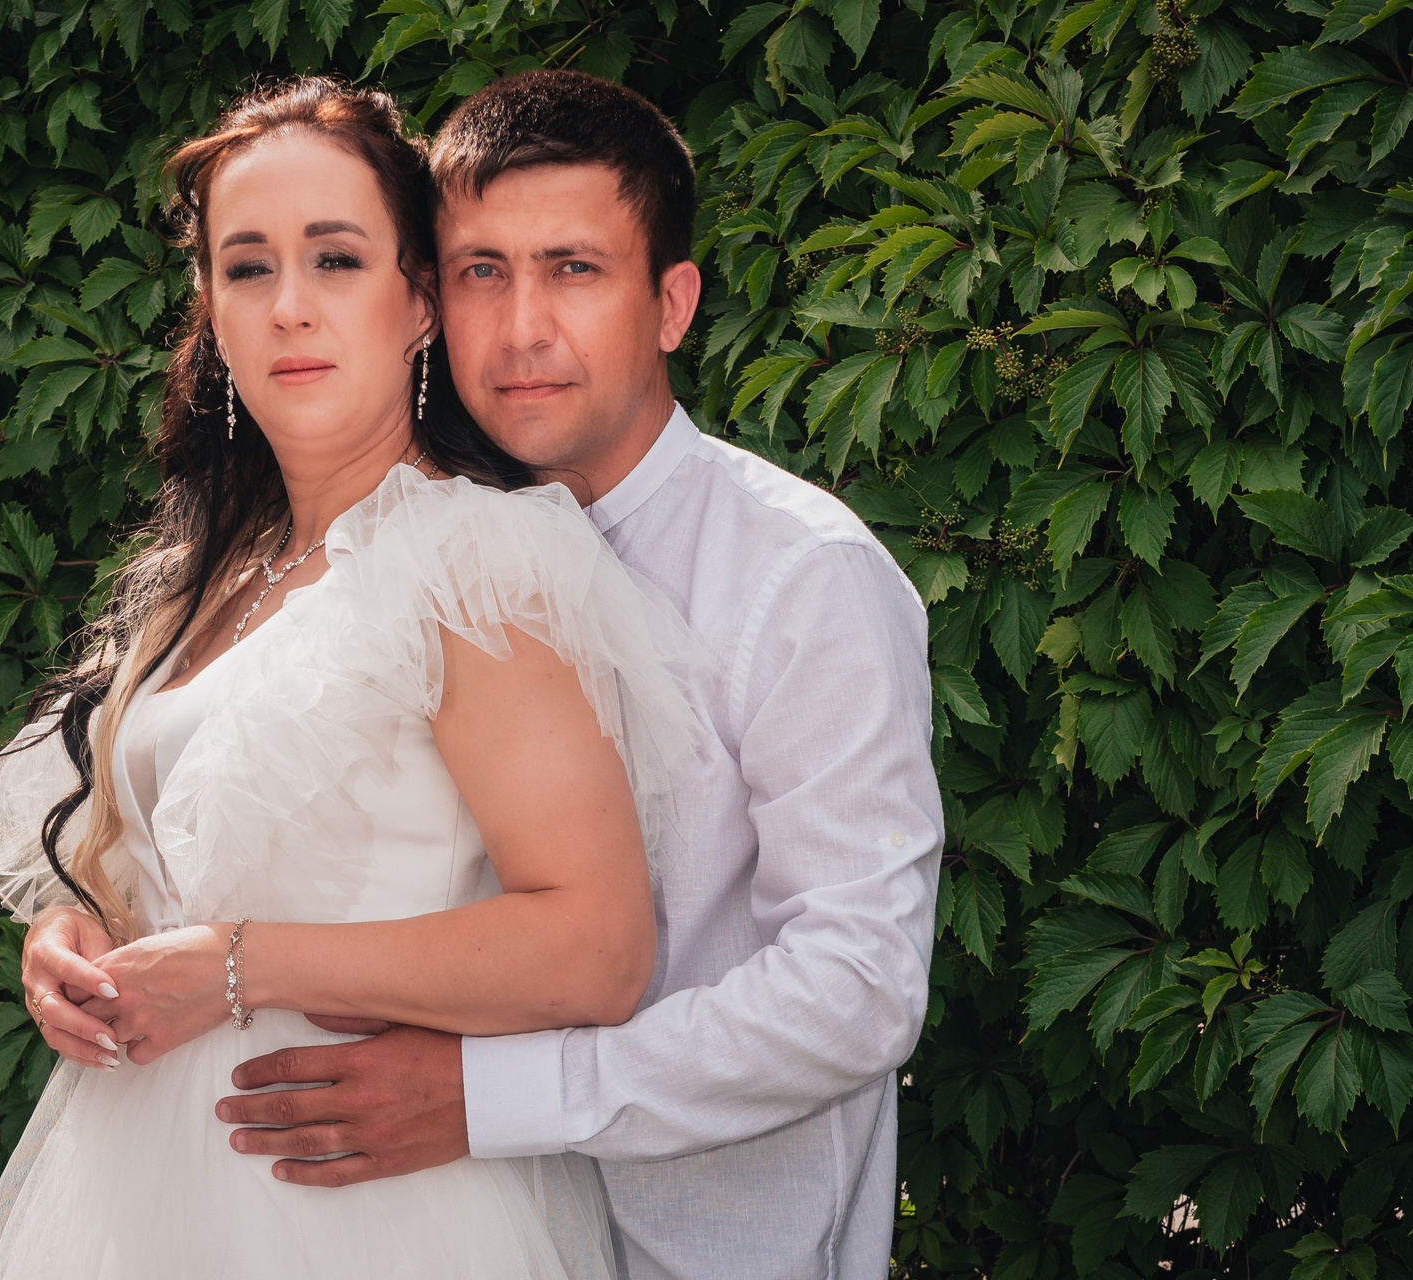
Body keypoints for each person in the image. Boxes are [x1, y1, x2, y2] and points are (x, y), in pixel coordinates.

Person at [0, 77, 711, 1280]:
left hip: (364, 1210)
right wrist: (72, 941)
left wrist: (237, 965)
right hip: (141, 1194)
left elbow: (597, 945)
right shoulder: (212, 572)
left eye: (336, 260)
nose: (290, 305)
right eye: (247, 267)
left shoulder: (471, 561)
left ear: (418, 301)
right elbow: (146, 859)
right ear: (212, 311)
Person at [210, 71, 944, 1280]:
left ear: (672, 304)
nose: (522, 328)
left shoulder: (800, 574)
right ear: (431, 299)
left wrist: (492, 1093)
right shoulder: (397, 552)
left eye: (574, 269)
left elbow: (856, 988)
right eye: (482, 271)